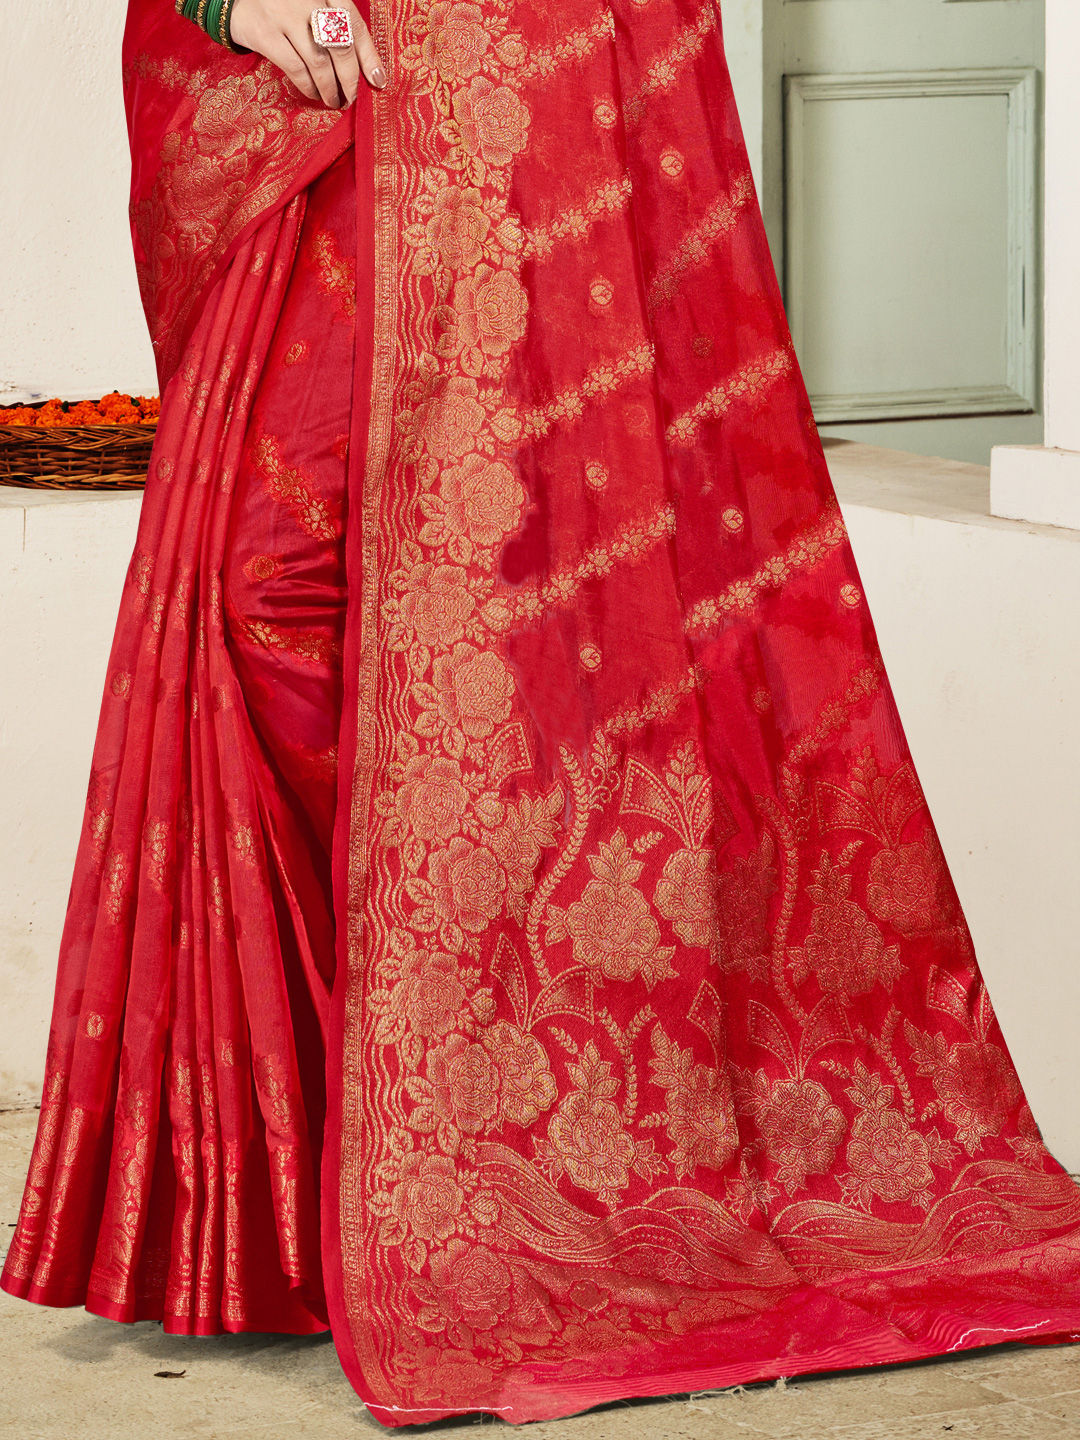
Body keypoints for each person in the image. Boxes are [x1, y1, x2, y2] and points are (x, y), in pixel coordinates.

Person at [5, 0, 1080, 1426]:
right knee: (260, 597)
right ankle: (325, 1180)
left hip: (535, 88)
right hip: (348, 94)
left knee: (539, 618)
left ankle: (452, 1166)